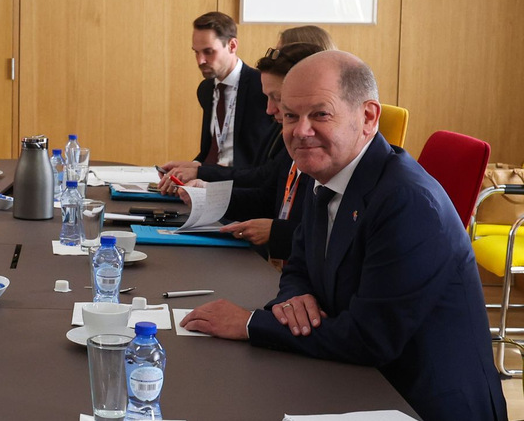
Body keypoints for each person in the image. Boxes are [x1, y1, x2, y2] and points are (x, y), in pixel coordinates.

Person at [178, 51, 506, 421]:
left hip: (420, 402)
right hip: (352, 382)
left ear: (368, 117)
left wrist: (250, 324)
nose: (300, 131)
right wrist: (294, 296)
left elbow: (370, 338)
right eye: (290, 116)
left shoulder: (407, 201)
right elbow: (299, 264)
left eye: (320, 114)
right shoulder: (325, 172)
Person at [172, 42, 324, 260]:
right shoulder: (290, 140)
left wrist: (276, 232)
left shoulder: (319, 150)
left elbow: (330, 236)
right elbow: (267, 197)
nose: (269, 109)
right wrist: (209, 196)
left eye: (277, 98)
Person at [159, 25, 335, 187]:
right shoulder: (206, 89)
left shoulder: (258, 88)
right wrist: (196, 170)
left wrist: (204, 178)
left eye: (281, 54)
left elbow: (263, 179)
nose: (270, 109)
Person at [158, 12, 271, 182]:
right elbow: (212, 151)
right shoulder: (206, 89)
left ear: (232, 45)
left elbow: (258, 165)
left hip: (243, 186)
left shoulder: (262, 87)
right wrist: (190, 168)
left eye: (208, 52)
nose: (200, 61)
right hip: (209, 182)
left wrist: (201, 173)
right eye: (196, 52)